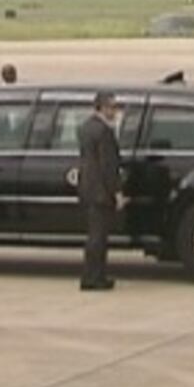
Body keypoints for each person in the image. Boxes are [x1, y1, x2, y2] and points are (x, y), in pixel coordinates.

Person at [76, 91, 125, 291]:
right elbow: (108, 166)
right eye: (113, 107)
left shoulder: (86, 128)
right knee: (99, 237)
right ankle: (94, 277)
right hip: (101, 190)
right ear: (102, 108)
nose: (115, 111)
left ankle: (92, 275)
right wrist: (117, 192)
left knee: (94, 235)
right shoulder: (104, 132)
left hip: (88, 187)